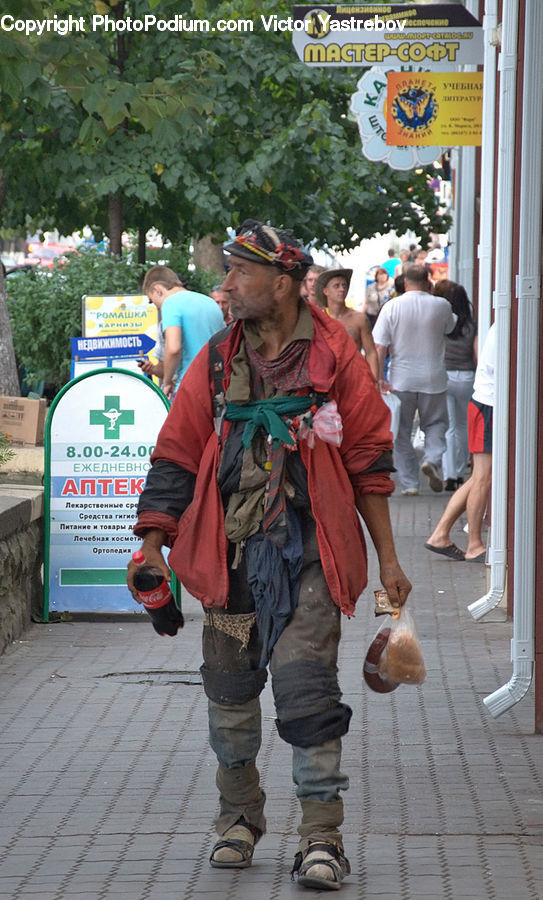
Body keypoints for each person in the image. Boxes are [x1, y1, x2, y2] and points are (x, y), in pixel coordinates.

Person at [127, 218, 411, 892]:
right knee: (228, 692)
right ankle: (239, 818)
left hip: (311, 555)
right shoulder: (219, 359)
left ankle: (322, 839)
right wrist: (150, 545)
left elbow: (369, 458)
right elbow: (176, 451)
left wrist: (391, 561)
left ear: (283, 283)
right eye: (228, 272)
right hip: (228, 559)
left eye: (241, 274)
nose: (227, 285)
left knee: (305, 691)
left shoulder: (334, 354)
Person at [372, 264, 457, 496]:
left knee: (401, 432)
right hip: (434, 379)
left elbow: (379, 347)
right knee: (436, 424)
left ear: (405, 282)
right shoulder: (441, 306)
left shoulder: (391, 307)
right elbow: (451, 327)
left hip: (401, 379)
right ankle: (431, 459)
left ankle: (409, 484)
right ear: (428, 281)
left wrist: (378, 377)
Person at [424, 323, 495, 562]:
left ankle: (440, 534)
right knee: (483, 477)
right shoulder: (508, 326)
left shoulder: (502, 325)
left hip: (485, 402)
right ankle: (474, 544)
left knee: (479, 477)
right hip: (489, 405)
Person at [143, 266, 224, 399]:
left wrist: (167, 382)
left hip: (188, 387)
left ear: (157, 290)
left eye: (151, 300)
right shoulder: (210, 303)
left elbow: (173, 348)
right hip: (217, 385)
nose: (156, 307)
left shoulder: (171, 303)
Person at [433, 280, 478, 491]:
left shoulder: (441, 324)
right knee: (462, 427)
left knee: (449, 427)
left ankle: (449, 474)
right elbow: (476, 354)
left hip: (445, 376)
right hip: (467, 377)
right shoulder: (472, 325)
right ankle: (460, 473)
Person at [315, 268, 379, 382]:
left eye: (344, 286)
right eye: (336, 286)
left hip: (354, 380)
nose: (342, 289)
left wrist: (375, 383)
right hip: (326, 383)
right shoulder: (318, 320)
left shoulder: (359, 319)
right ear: (326, 291)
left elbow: (371, 353)